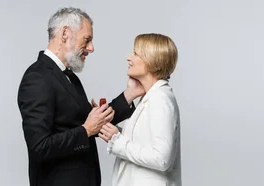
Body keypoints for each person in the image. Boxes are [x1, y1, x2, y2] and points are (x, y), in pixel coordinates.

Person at [17, 7, 145, 186]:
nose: (91, 48)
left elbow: (93, 123)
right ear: (64, 33)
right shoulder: (37, 78)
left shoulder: (69, 77)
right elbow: (39, 147)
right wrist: (86, 130)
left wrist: (130, 94)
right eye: (87, 40)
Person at [99, 33, 181, 186]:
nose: (128, 58)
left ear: (151, 60)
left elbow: (161, 158)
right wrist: (112, 132)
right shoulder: (152, 97)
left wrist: (118, 141)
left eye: (135, 53)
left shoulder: (160, 99)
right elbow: (145, 142)